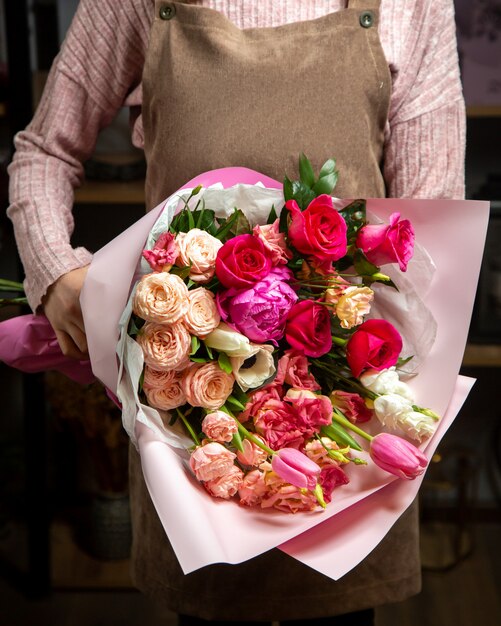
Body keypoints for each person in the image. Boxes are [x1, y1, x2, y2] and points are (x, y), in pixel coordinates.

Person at [7, 1, 465, 624]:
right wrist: (55, 270)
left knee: (337, 604)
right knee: (208, 601)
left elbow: (429, 227)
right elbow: (43, 153)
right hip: (190, 406)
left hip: (342, 416)